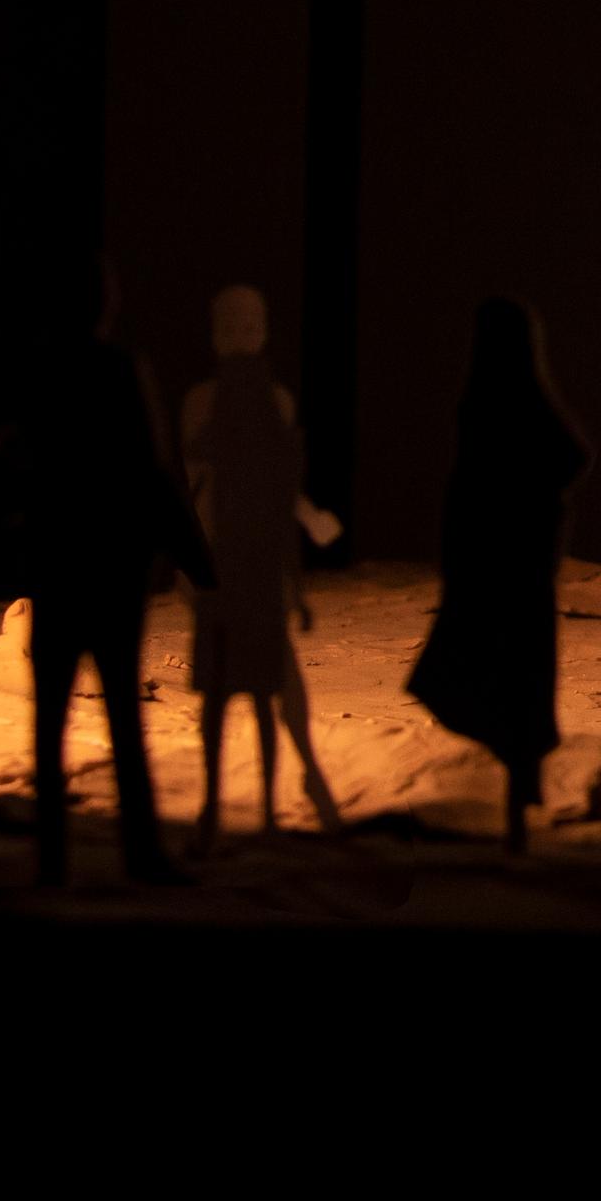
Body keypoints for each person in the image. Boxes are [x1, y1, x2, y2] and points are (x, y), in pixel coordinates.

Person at [0, 257, 212, 887]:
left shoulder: (36, 369)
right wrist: (198, 561)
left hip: (58, 565)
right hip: (113, 570)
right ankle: (141, 856)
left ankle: (52, 861)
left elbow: (14, 460)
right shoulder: (119, 369)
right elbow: (151, 471)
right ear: (101, 305)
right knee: (122, 717)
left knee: (49, 723)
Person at [176, 285, 346, 853]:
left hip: (251, 562)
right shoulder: (210, 402)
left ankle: (272, 800)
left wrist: (302, 534)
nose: (242, 335)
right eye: (232, 325)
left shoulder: (271, 402)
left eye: (250, 325)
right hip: (229, 559)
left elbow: (273, 488)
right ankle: (247, 802)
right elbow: (199, 487)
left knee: (262, 684)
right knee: (235, 690)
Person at [412, 297, 582, 852]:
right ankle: (517, 805)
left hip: (496, 571)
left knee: (491, 680)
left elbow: (467, 491)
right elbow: (570, 458)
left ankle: (516, 812)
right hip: (521, 572)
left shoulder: (484, 405)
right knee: (515, 687)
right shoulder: (519, 402)